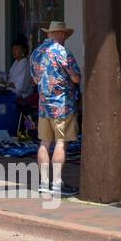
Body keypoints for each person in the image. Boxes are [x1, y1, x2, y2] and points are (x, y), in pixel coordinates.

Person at [30, 20, 82, 198]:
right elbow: (76, 78)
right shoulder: (62, 51)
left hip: (44, 105)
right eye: (65, 35)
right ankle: (57, 183)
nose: (65, 38)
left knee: (44, 143)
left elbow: (36, 80)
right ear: (60, 34)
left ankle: (44, 183)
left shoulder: (36, 53)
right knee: (61, 143)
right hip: (62, 104)